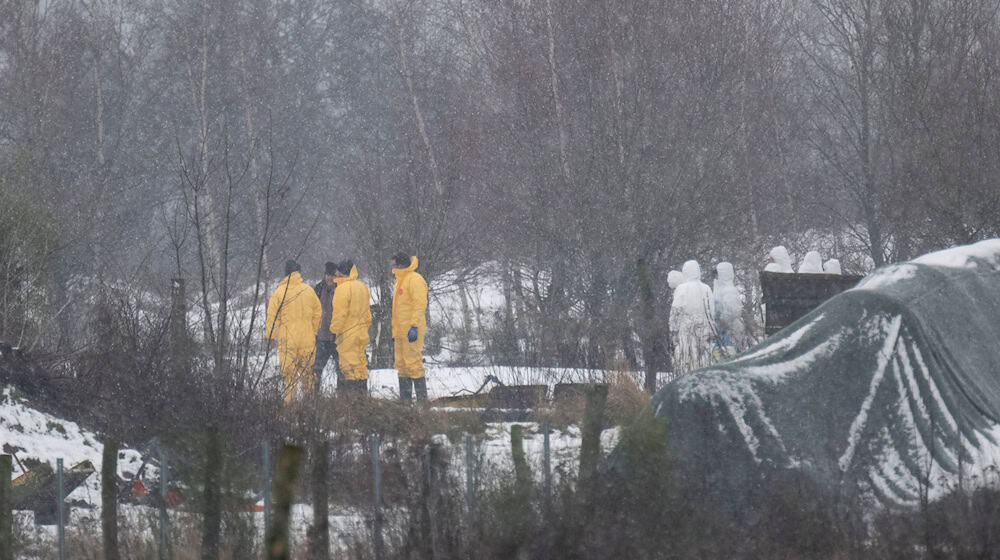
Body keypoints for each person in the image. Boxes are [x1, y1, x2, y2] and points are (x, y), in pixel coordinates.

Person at [266, 259, 322, 403]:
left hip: (287, 339)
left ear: (285, 273)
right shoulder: (308, 290)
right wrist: (314, 331)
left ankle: (290, 407)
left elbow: (273, 317)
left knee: (289, 375)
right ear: (299, 272)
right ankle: (309, 406)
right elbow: (318, 312)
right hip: (307, 337)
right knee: (307, 374)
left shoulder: (279, 293)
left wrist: (271, 337)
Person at [328, 260, 372, 396]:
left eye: (338, 272)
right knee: (361, 366)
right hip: (362, 333)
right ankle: (363, 399)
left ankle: (351, 402)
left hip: (347, 334)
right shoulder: (363, 287)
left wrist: (334, 331)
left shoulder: (342, 289)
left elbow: (339, 314)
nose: (336, 274)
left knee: (348, 367)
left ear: (342, 273)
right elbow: (367, 314)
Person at [391, 253, 428, 403]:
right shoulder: (400, 280)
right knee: (402, 366)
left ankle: (422, 402)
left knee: (414, 364)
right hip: (400, 332)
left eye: (394, 264)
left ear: (400, 265)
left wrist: (414, 325)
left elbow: (419, 305)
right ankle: (405, 402)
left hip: (412, 330)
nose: (392, 267)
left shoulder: (414, 279)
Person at [669, 260, 715, 374]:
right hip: (704, 325)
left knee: (687, 356)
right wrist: (712, 327)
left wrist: (673, 329)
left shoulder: (682, 288)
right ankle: (703, 376)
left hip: (687, 326)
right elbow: (711, 311)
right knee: (703, 355)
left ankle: (687, 377)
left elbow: (676, 310)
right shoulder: (706, 288)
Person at [313, 261, 339, 392]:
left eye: (332, 275)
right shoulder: (317, 289)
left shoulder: (341, 288)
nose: (329, 278)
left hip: (337, 337)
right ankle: (315, 398)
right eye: (327, 275)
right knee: (316, 369)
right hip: (321, 336)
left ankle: (342, 398)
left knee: (341, 369)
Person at [713, 262, 744, 355]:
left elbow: (732, 312)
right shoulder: (720, 290)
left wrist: (721, 322)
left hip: (728, 331)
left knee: (729, 355)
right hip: (722, 331)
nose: (715, 277)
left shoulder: (729, 291)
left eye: (717, 274)